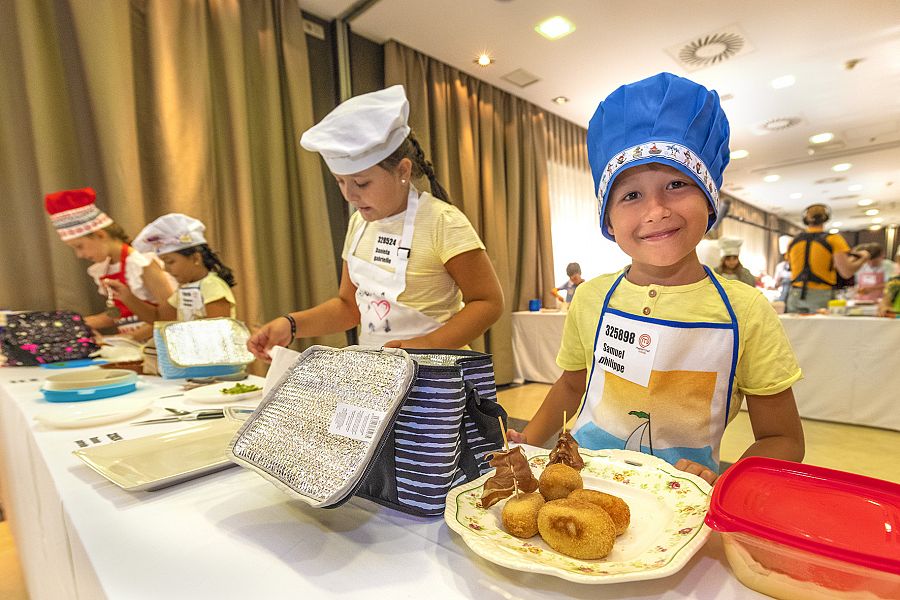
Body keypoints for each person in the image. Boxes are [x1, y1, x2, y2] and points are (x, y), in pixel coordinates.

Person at [507, 72, 804, 485]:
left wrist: (722, 478)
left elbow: (783, 438)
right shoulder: (592, 296)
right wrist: (527, 444)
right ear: (608, 219)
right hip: (580, 478)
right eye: (631, 195)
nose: (656, 210)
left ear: (710, 198)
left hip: (679, 501)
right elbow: (571, 385)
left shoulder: (745, 311)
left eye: (677, 184)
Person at [247, 85, 503, 358]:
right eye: (340, 182)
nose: (350, 195)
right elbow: (348, 307)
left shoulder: (443, 222)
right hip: (376, 374)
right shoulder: (359, 224)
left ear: (403, 171)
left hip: (436, 375)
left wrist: (427, 344)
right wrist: (292, 324)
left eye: (361, 183)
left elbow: (488, 301)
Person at [43, 187, 176, 340]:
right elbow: (119, 313)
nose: (79, 255)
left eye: (79, 246)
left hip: (155, 346)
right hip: (132, 347)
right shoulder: (105, 268)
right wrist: (75, 324)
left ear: (100, 235)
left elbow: (169, 317)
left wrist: (125, 339)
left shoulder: (143, 264)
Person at [104, 213, 236, 322]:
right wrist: (127, 297)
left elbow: (218, 333)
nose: (166, 269)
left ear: (196, 258)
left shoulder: (212, 287)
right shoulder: (184, 288)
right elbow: (160, 319)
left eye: (171, 262)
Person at [785, 204, 869, 313]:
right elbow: (846, 272)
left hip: (794, 294)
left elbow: (791, 266)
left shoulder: (793, 242)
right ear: (825, 218)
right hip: (821, 294)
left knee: (795, 329)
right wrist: (864, 258)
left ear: (805, 219)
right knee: (819, 329)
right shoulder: (834, 240)